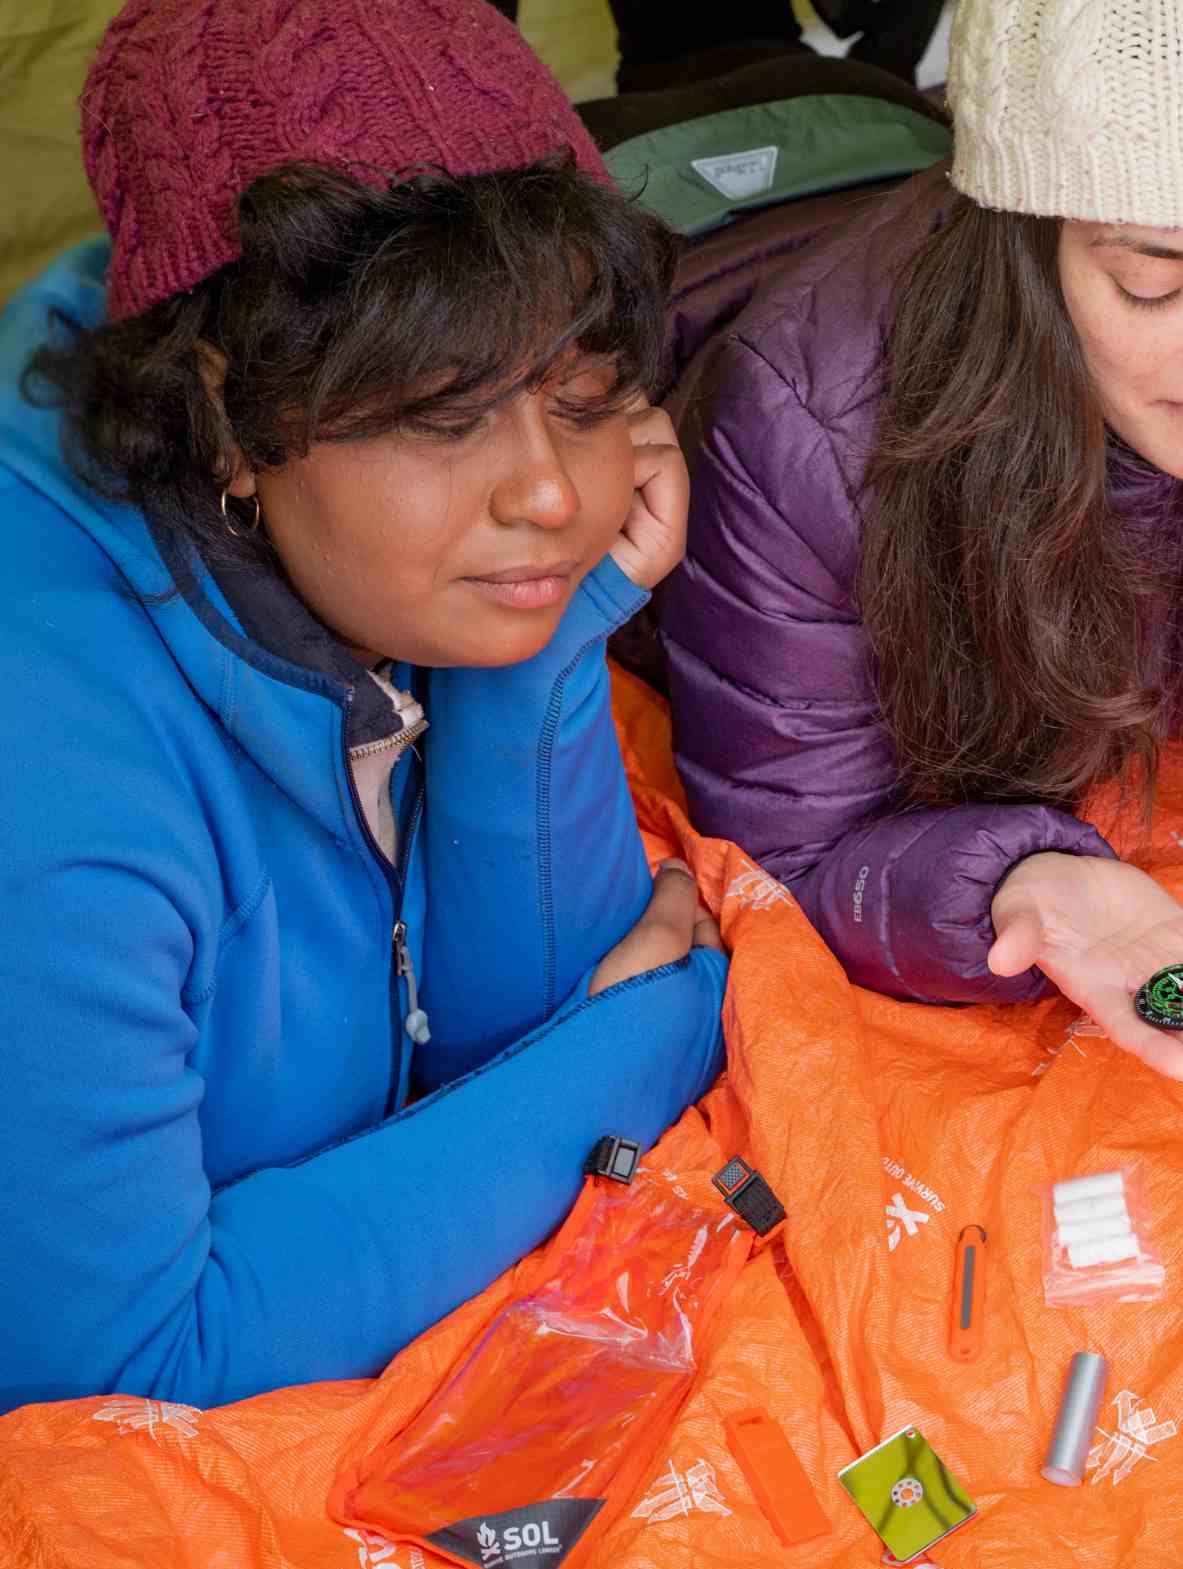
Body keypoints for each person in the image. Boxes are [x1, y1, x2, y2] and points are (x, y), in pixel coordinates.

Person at [0, 0, 727, 1414]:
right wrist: (637, 1049)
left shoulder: (384, 556)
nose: (553, 494)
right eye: (442, 419)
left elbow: (479, 1029)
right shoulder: (48, 787)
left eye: (584, 398)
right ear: (220, 412)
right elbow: (118, 1364)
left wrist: (545, 655)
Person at [658, 0, 1183, 1086]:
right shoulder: (808, 424)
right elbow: (793, 852)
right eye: (1151, 284)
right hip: (696, 206)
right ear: (1033, 253)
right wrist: (1018, 884)